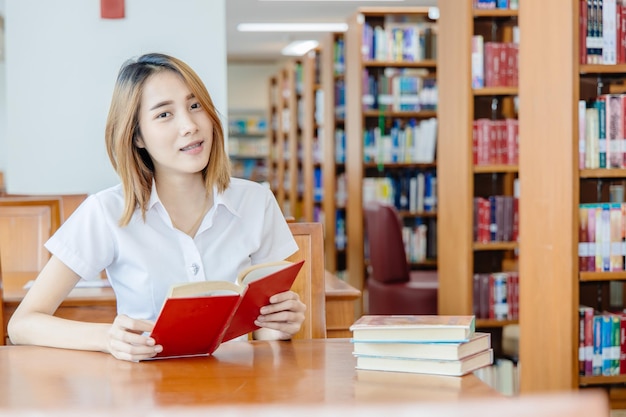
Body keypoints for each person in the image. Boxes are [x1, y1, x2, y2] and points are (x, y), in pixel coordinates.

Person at [7, 53, 306, 361]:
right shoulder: (107, 211)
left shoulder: (256, 201)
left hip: (238, 392)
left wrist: (280, 324)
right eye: (164, 114)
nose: (189, 125)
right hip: (146, 394)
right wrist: (106, 338)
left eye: (195, 106)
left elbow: (267, 327)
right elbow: (22, 325)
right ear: (137, 136)